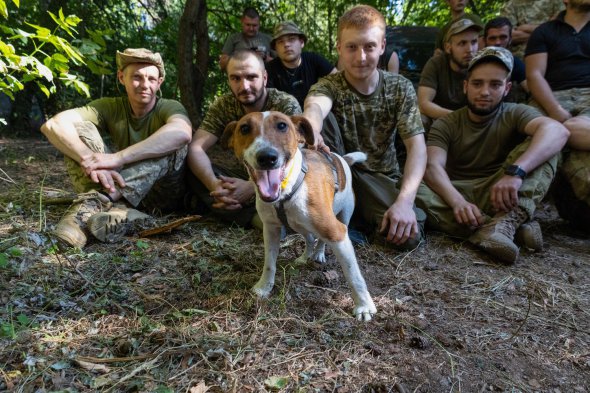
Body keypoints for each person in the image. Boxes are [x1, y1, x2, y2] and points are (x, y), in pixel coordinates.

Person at [416, 47, 569, 263]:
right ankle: (506, 228)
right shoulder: (446, 123)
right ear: (466, 86)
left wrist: (515, 173)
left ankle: (505, 223)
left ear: (507, 88)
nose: (485, 92)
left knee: (547, 148)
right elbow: (432, 168)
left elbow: (558, 130)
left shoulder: (515, 112)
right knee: (410, 189)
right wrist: (458, 202)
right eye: (477, 84)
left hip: (503, 192)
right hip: (459, 193)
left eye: (495, 84)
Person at [303, 5, 427, 250]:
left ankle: (357, 220)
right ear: (339, 48)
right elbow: (315, 107)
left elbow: (417, 148)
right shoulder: (328, 86)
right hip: (338, 171)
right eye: (351, 47)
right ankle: (336, 215)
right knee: (320, 120)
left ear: (382, 46)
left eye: (369, 46)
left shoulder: (399, 87)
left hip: (378, 178)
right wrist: (312, 128)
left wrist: (404, 202)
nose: (360, 57)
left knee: (407, 237)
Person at [40, 48, 192, 248]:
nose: (145, 85)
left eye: (152, 79)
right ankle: (119, 211)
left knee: (172, 143)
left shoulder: (169, 107)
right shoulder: (110, 106)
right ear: (121, 77)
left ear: (159, 83)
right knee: (79, 129)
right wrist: (88, 157)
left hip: (160, 195)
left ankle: (91, 207)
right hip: (117, 185)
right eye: (136, 77)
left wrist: (118, 158)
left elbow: (181, 133)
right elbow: (53, 125)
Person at [186, 50, 301, 227]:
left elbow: (300, 153)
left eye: (251, 77)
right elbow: (196, 148)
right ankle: (254, 218)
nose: (244, 86)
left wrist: (251, 187)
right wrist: (214, 185)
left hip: (279, 171)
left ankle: (274, 216)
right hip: (245, 169)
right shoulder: (224, 105)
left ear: (264, 77)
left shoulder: (284, 104)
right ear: (229, 80)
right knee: (191, 168)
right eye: (236, 78)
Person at [525, 0, 590, 229]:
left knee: (552, 138)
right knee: (537, 136)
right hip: (551, 96)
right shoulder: (545, 31)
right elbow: (534, 75)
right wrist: (558, 113)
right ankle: (514, 212)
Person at [418, 18, 481, 129]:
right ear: (448, 47)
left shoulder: (482, 67)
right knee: (419, 120)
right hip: (440, 119)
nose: (470, 49)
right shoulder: (436, 63)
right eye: (462, 43)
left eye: (474, 42)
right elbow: (423, 104)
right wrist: (458, 118)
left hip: (472, 124)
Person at [266, 21, 336, 107]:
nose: (286, 44)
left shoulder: (313, 59)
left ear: (301, 43)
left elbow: (338, 79)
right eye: (280, 42)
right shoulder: (269, 69)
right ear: (275, 48)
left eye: (291, 39)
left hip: (315, 111)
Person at [483, 17, 528, 102]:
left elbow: (532, 90)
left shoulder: (515, 63)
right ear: (485, 40)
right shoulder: (475, 63)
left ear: (510, 39)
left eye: (503, 37)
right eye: (492, 38)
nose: (498, 42)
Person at [219, 7, 274, 72]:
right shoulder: (233, 39)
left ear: (259, 24)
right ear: (242, 22)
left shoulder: (268, 39)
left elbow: (282, 63)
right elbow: (222, 65)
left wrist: (265, 57)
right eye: (248, 25)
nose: (251, 28)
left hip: (265, 79)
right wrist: (240, 57)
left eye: (254, 25)